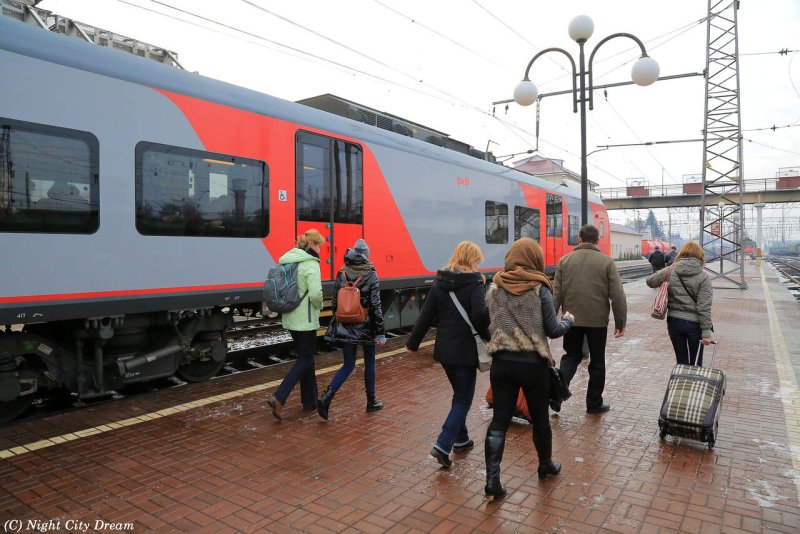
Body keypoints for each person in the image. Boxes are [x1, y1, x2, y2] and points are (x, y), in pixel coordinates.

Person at [483, 237, 573, 501]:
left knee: (499, 420)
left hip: (501, 364)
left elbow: (488, 322)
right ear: (535, 259)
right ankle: (545, 466)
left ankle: (492, 483)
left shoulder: (496, 287)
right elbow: (553, 330)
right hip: (532, 366)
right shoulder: (539, 289)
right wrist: (568, 320)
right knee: (540, 419)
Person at [406, 241, 489, 470]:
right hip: (465, 351)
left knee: (458, 395)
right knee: (463, 399)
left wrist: (412, 343)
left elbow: (425, 315)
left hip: (444, 352)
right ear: (472, 259)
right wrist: (488, 335)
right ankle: (443, 445)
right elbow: (480, 315)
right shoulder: (475, 283)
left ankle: (461, 440)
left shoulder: (439, 282)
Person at [553, 224, 627, 414]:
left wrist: (551, 321)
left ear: (579, 238)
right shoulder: (607, 262)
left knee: (571, 356)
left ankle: (557, 395)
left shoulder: (564, 261)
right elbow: (618, 295)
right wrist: (620, 323)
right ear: (597, 241)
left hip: (571, 320)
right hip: (597, 321)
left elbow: (556, 294)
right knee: (597, 361)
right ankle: (594, 403)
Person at [318, 239, 386, 419]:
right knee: (369, 362)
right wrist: (380, 332)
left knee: (348, 364)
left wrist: (342, 320)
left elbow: (334, 303)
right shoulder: (371, 274)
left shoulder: (342, 272)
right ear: (366, 255)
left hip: (345, 325)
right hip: (366, 327)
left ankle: (327, 396)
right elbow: (376, 306)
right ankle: (371, 402)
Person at [267, 229, 325, 421]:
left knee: (306, 357)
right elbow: (315, 294)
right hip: (305, 321)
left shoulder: (290, 259)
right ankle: (279, 397)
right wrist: (320, 305)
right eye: (318, 245)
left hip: (291, 318)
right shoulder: (311, 264)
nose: (320, 249)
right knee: (306, 359)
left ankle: (310, 401)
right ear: (312, 245)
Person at [646, 241, 713, 366]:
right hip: (694, 325)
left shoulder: (671, 270)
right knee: (696, 363)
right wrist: (706, 333)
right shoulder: (704, 277)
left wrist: (667, 272)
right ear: (700, 257)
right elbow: (704, 307)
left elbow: (650, 281)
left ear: (681, 254)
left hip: (674, 322)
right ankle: (693, 385)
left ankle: (681, 384)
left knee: (681, 362)